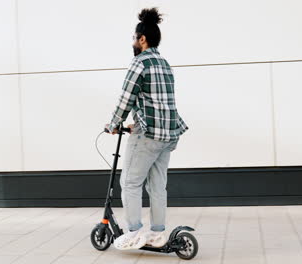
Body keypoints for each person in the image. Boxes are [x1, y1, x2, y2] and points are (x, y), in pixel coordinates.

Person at [105, 7, 189, 250]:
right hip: (168, 133)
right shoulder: (164, 64)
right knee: (157, 185)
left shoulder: (139, 63)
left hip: (149, 135)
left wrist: (114, 124)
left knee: (130, 183)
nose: (133, 41)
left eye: (134, 37)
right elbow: (158, 101)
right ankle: (157, 234)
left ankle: (134, 233)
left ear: (143, 39)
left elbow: (126, 99)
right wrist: (135, 123)